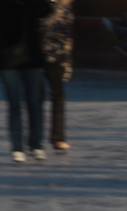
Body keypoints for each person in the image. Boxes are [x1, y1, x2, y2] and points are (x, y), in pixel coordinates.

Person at [1, 0, 53, 163]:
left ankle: (37, 145)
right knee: (14, 104)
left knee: (34, 103)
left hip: (32, 56)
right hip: (8, 58)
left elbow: (45, 10)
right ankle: (17, 148)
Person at [40, 0, 74, 152]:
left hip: (57, 58)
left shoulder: (66, 8)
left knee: (58, 97)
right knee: (36, 97)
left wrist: (67, 62)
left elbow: (68, 38)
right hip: (38, 56)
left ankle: (58, 138)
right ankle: (35, 138)